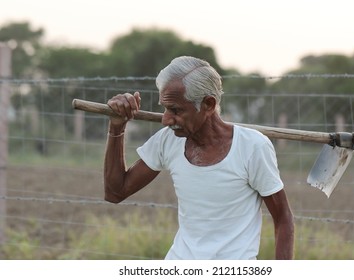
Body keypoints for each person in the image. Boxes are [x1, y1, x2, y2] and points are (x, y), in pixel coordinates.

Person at [104, 56, 294, 260]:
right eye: (165, 108)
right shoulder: (168, 140)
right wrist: (117, 126)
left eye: (176, 110)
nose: (166, 120)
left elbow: (283, 220)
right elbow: (116, 193)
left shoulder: (252, 147)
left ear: (208, 104)